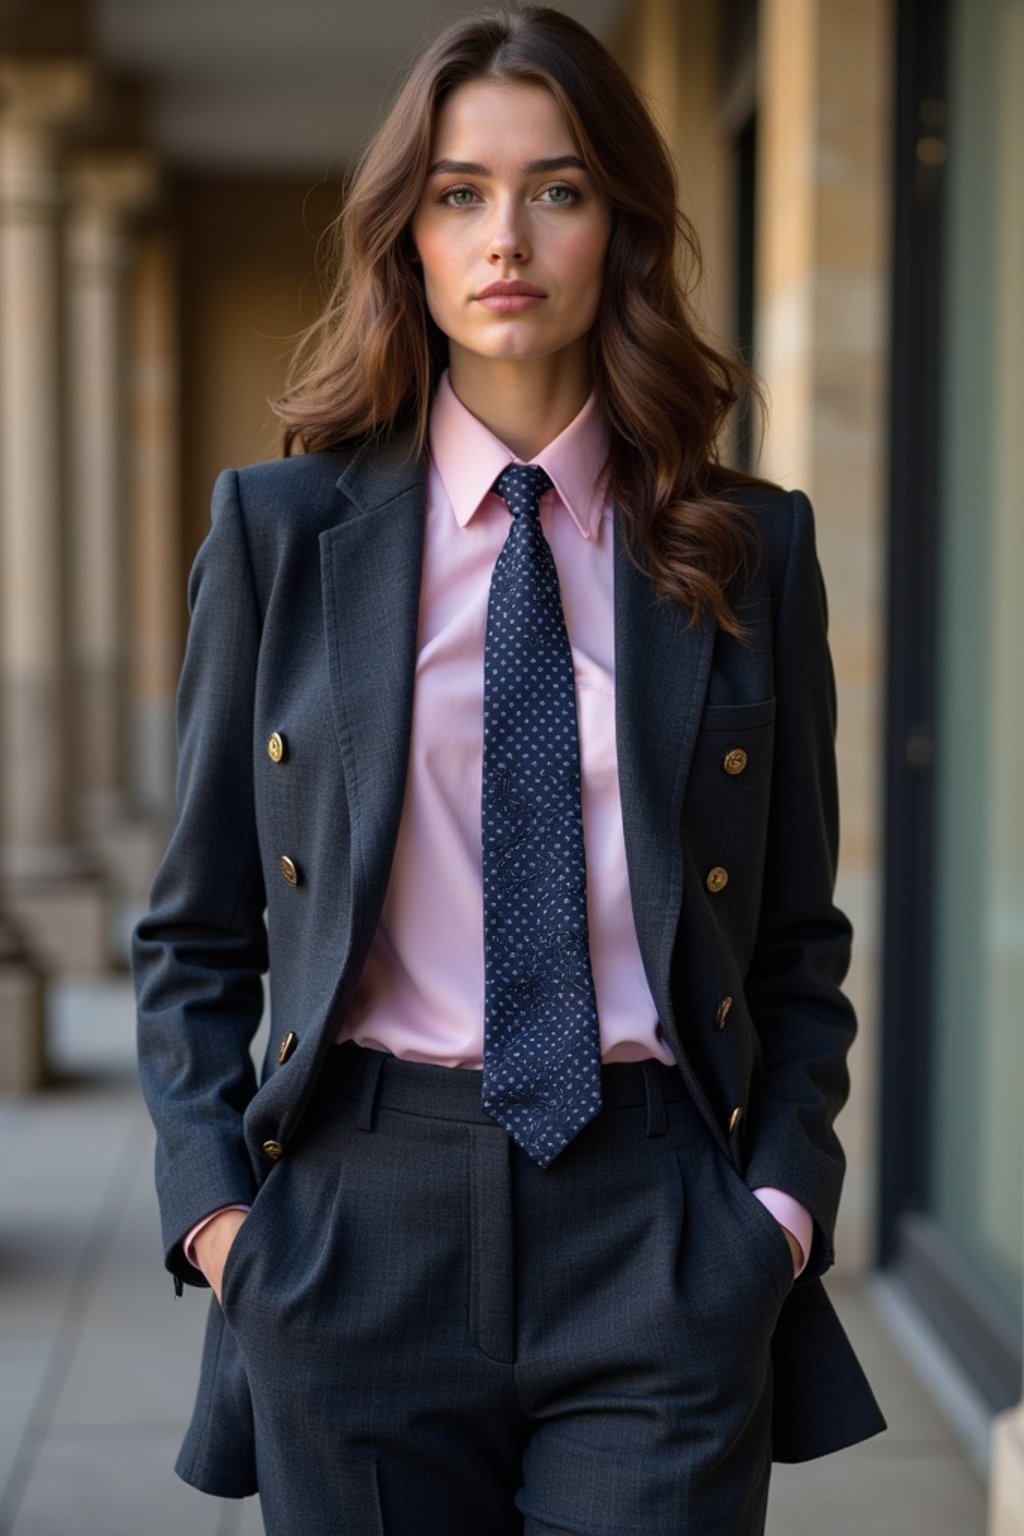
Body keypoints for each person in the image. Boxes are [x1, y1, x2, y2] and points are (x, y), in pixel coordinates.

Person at [133, 7, 887, 1533]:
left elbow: (799, 939)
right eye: (460, 193)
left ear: (621, 224)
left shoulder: (752, 545)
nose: (508, 238)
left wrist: (778, 1217)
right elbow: (193, 932)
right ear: (404, 235)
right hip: (355, 1223)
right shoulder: (280, 535)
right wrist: (222, 1222)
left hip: (658, 1226)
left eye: (558, 188)